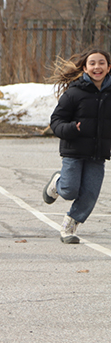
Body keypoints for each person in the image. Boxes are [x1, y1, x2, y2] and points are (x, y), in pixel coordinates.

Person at [43, 49, 111, 244]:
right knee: (69, 190)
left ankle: (69, 225)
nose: (97, 67)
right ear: (85, 68)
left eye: (101, 63)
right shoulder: (74, 93)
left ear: (108, 67)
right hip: (74, 150)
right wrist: (71, 128)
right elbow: (56, 120)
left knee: (90, 195)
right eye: (92, 63)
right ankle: (57, 183)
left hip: (97, 154)